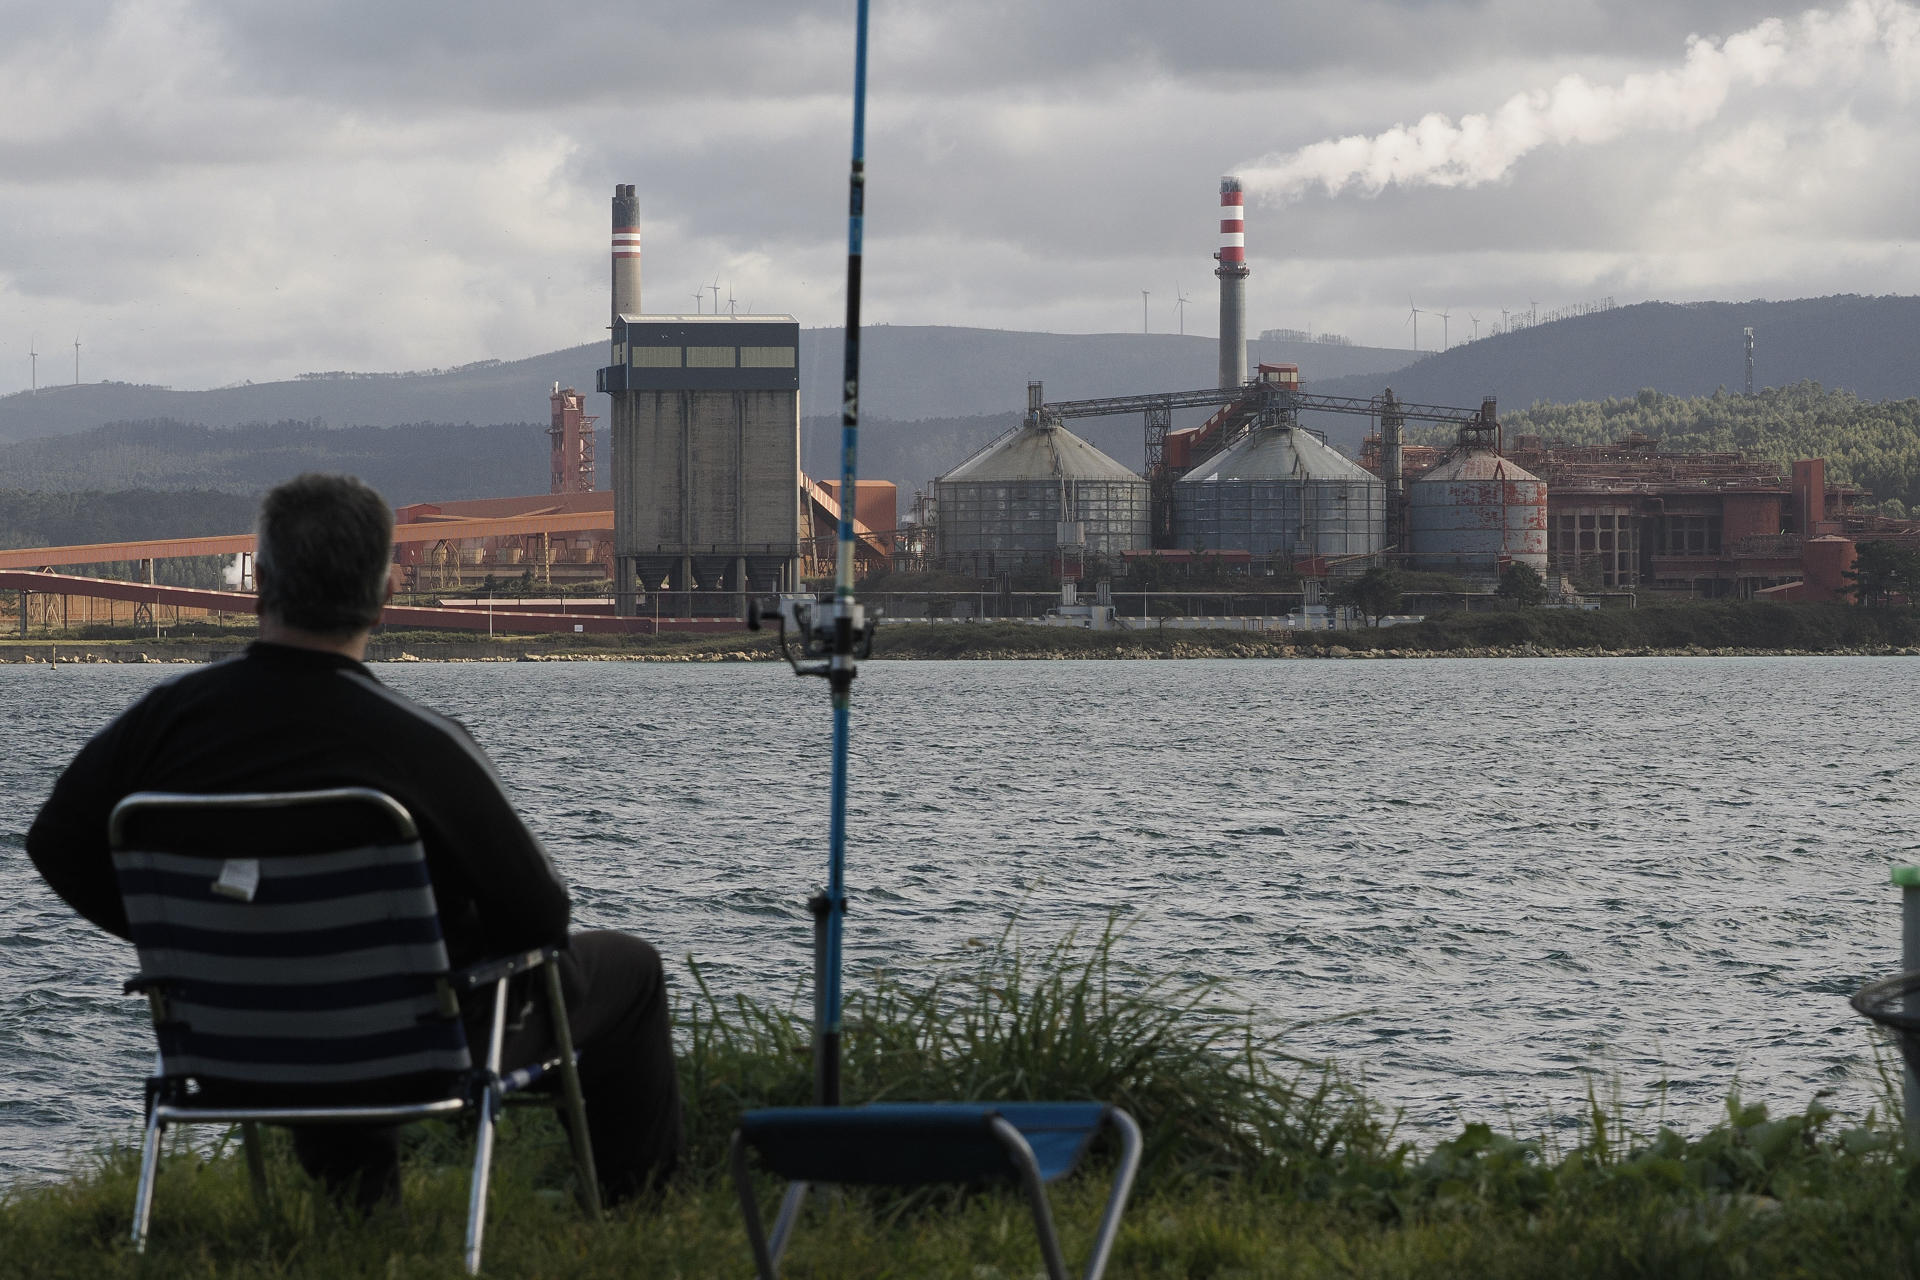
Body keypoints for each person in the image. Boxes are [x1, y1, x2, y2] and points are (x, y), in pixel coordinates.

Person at [26, 472, 681, 1209]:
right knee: (630, 970)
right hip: (405, 1051)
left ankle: (361, 1207)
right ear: (386, 596)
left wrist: (176, 940)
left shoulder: (164, 722)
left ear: (262, 583)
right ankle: (637, 1208)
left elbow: (54, 842)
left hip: (228, 1042)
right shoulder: (424, 745)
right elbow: (540, 918)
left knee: (328, 974)